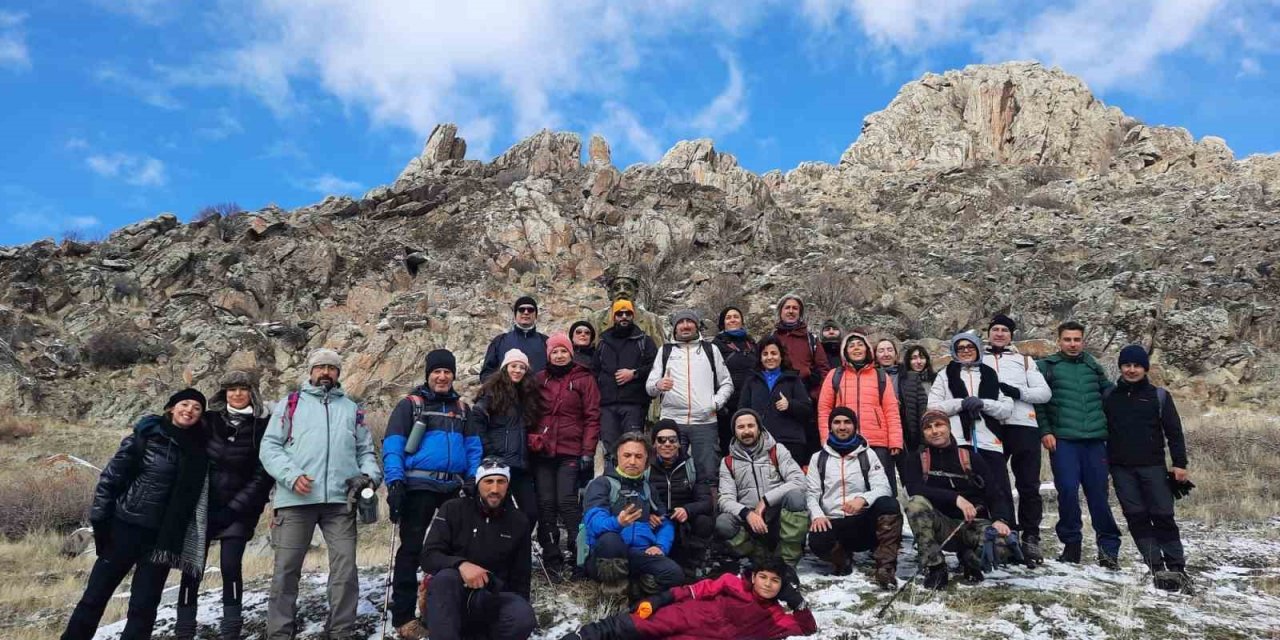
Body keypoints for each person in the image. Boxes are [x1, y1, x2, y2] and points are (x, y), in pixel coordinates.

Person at [63, 389, 212, 640]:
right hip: (126, 527)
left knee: (143, 607)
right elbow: (110, 480)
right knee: (94, 598)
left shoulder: (200, 448)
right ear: (171, 408)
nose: (189, 410)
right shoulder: (145, 436)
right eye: (184, 404)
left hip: (163, 539)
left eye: (197, 408)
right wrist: (100, 523)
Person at [259, 348, 381, 640]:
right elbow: (269, 447)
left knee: (345, 570)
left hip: (341, 501)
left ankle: (341, 631)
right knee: (286, 570)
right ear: (310, 371)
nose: (325, 372)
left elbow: (365, 451)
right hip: (295, 500)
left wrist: (369, 478)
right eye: (320, 367)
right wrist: (292, 476)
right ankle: (279, 632)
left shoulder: (352, 409)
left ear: (338, 373)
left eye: (332, 367)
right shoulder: (290, 404)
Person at [382, 349, 481, 639]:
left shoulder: (463, 409)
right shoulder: (410, 405)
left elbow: (473, 448)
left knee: (451, 552)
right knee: (411, 551)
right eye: (437, 372)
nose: (442, 376)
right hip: (418, 488)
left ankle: (442, 609)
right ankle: (403, 618)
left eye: (447, 372)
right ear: (428, 375)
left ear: (453, 375)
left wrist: (473, 478)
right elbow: (393, 445)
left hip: (453, 487)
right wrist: (395, 483)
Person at [175, 372, 274, 640]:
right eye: (232, 389)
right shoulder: (208, 421)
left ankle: (231, 630)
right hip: (201, 507)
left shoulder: (261, 427)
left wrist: (233, 509)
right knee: (192, 569)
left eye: (243, 388)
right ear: (224, 393)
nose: (237, 394)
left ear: (252, 392)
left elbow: (262, 476)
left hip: (239, 510)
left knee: (231, 567)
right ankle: (184, 630)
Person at [559, 556, 817, 640]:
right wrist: (661, 599)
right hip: (685, 615)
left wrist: (796, 600)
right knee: (631, 625)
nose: (768, 584)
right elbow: (694, 590)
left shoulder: (774, 619)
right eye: (764, 577)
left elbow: (807, 627)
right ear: (753, 577)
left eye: (775, 581)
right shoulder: (733, 584)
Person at [1036, 321, 1123, 568]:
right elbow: (1039, 404)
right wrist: (1045, 431)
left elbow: (1109, 394)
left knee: (1099, 497)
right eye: (1067, 339)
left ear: (1083, 341)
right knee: (1067, 493)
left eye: (1076, 339)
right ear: (1059, 341)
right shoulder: (1047, 366)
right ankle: (1071, 546)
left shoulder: (1092, 365)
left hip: (1095, 441)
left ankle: (1108, 551)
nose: (1072, 344)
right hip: (1063, 441)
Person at [419, 457, 536, 640]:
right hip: (451, 596)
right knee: (445, 579)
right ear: (478, 483)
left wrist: (520, 607)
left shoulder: (519, 521)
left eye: (501, 482)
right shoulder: (452, 509)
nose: (495, 489)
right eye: (489, 482)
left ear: (508, 484)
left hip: (492, 597)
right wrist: (461, 565)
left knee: (522, 615)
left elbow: (521, 578)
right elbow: (428, 556)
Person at [1104, 345, 1191, 590]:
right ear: (1121, 367)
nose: (1132, 370)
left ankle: (1177, 567)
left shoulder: (1159, 396)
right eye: (1127, 365)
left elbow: (1174, 432)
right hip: (1121, 469)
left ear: (1145, 368)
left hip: (1153, 467)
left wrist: (1179, 464)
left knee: (1163, 516)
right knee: (1136, 518)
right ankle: (1156, 567)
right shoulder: (1109, 396)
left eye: (1137, 366)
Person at [903, 410, 1015, 588]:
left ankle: (970, 560)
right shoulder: (917, 459)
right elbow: (913, 488)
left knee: (1003, 546)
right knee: (915, 504)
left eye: (939, 425)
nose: (935, 431)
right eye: (928, 427)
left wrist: (1000, 519)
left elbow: (995, 493)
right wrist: (955, 498)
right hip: (940, 526)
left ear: (948, 427)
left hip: (973, 523)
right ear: (923, 433)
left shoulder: (971, 457)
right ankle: (936, 567)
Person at [983, 314, 1053, 566]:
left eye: (1005, 330)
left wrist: (1018, 392)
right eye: (995, 329)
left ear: (1012, 335)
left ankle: (1030, 537)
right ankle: (1003, 532)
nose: (999, 333)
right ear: (988, 333)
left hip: (1023, 425)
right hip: (990, 426)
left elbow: (1044, 393)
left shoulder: (1024, 361)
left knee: (1028, 484)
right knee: (993, 483)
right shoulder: (979, 358)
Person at [806, 407, 902, 589]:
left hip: (862, 522)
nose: (842, 427)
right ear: (830, 427)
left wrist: (862, 500)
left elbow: (884, 487)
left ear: (855, 426)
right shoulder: (818, 458)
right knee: (817, 539)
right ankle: (842, 560)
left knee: (889, 504)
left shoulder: (868, 455)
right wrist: (818, 515)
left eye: (847, 422)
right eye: (837, 422)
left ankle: (885, 567)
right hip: (833, 521)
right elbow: (811, 493)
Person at [926, 331, 1015, 525]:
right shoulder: (945, 375)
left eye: (970, 347)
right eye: (961, 348)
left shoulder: (990, 374)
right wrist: (961, 403)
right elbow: (933, 406)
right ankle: (968, 534)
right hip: (960, 441)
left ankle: (1007, 534)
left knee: (999, 488)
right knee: (966, 489)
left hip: (990, 440)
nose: (966, 351)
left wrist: (982, 404)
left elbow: (1006, 409)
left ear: (977, 349)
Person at [581, 433, 685, 596]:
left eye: (638, 456)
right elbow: (594, 523)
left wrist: (660, 546)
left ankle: (635, 586)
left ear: (646, 460)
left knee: (674, 574)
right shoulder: (602, 484)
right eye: (627, 455)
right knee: (610, 539)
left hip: (639, 554)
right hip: (605, 556)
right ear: (617, 457)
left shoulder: (648, 488)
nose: (632, 461)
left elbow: (665, 522)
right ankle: (615, 595)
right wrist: (618, 522)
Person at [533, 333, 601, 572]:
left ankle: (578, 552)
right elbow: (529, 413)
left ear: (571, 353)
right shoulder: (539, 379)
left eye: (564, 351)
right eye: (555, 352)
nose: (559, 356)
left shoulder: (584, 378)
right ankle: (552, 556)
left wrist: (588, 450)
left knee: (567, 502)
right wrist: (533, 438)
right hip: (542, 452)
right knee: (546, 504)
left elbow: (592, 416)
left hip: (571, 451)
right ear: (548, 354)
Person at [646, 310, 733, 484]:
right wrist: (658, 385)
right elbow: (649, 388)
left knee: (708, 472)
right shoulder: (665, 351)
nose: (685, 325)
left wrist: (714, 403)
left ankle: (709, 509)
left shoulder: (710, 349)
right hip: (672, 421)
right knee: (670, 470)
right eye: (681, 322)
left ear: (696, 325)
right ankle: (671, 509)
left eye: (689, 321)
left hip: (705, 421)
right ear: (675, 327)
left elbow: (727, 383)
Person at [716, 409, 809, 567]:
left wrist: (766, 500)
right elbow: (725, 499)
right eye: (741, 427)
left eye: (751, 426)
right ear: (734, 431)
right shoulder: (728, 462)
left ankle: (788, 562)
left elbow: (799, 480)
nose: (746, 431)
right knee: (723, 522)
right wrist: (747, 513)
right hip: (751, 524)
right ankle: (757, 557)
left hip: (779, 518)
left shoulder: (776, 450)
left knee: (796, 497)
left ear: (759, 428)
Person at [817, 331, 904, 494]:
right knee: (851, 490)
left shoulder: (880, 375)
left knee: (883, 489)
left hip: (877, 442)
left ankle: (887, 519)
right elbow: (824, 410)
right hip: (844, 441)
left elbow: (891, 410)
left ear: (867, 349)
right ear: (845, 351)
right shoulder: (834, 375)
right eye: (851, 346)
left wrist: (895, 441)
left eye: (860, 345)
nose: (856, 348)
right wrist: (825, 438)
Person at [471, 349, 542, 520]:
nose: (518, 370)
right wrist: (489, 450)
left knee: (531, 512)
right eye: (514, 366)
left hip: (521, 463)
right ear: (505, 367)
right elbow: (477, 418)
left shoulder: (527, 395)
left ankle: (520, 545)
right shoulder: (492, 391)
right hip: (499, 462)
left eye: (522, 367)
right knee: (501, 511)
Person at [648, 421, 715, 577]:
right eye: (661, 440)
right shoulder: (646, 467)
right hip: (658, 520)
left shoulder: (693, 466)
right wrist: (648, 514)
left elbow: (707, 501)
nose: (667, 444)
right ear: (654, 444)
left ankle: (697, 561)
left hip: (685, 521)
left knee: (704, 521)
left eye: (672, 440)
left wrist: (687, 510)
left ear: (679, 443)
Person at [595, 299, 658, 460]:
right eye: (619, 314)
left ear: (633, 316)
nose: (624, 317)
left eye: (627, 313)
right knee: (609, 449)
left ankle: (632, 483)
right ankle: (612, 482)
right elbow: (594, 371)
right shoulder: (603, 342)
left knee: (633, 447)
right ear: (613, 317)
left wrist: (634, 373)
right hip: (607, 405)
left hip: (634, 404)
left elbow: (656, 367)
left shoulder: (644, 341)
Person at [737, 336, 813, 464]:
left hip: (790, 442)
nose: (770, 357)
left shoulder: (792, 379)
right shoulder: (752, 381)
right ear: (760, 358)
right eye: (765, 354)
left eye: (774, 353)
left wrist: (790, 405)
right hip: (759, 442)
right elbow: (742, 410)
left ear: (781, 356)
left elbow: (807, 410)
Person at [771, 294, 830, 413]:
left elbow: (824, 369)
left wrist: (815, 395)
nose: (791, 311)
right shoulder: (772, 338)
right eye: (787, 308)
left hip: (805, 396)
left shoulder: (811, 339)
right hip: (777, 395)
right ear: (780, 312)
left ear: (800, 313)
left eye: (795, 308)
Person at [712, 305, 758, 453]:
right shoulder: (716, 345)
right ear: (723, 323)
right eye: (729, 317)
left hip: (751, 401)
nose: (733, 320)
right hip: (727, 404)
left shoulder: (751, 343)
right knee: (728, 445)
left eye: (736, 317)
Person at [481, 295, 549, 381]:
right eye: (521, 309)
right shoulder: (500, 341)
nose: (526, 312)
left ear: (536, 315)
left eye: (530, 310)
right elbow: (486, 373)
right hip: (506, 393)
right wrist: (499, 390)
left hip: (538, 393)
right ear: (515, 315)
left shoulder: (546, 342)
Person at [898, 345, 936, 455]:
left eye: (922, 357)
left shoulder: (935, 379)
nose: (918, 362)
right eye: (914, 358)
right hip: (912, 433)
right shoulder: (902, 382)